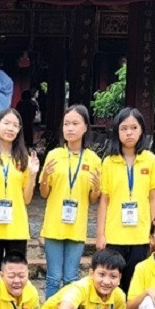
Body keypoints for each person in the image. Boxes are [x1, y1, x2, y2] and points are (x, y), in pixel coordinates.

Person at [96, 107, 155, 309]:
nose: (129, 133)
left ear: (142, 130)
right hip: (115, 233)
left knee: (134, 282)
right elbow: (104, 200)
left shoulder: (150, 160)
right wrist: (100, 233)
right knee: (113, 283)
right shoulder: (109, 162)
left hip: (140, 234)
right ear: (117, 131)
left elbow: (154, 198)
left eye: (134, 127)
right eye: (124, 128)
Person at [40, 104, 102, 297]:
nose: (70, 128)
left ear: (85, 127)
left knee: (71, 277)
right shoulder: (54, 155)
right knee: (53, 277)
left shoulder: (93, 159)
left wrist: (97, 188)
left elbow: (92, 198)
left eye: (75, 124)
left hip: (77, 227)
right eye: (66, 124)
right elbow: (44, 193)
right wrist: (44, 178)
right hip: (54, 226)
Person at [0, 108, 39, 282]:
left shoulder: (24, 160)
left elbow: (26, 199)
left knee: (15, 278)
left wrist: (32, 175)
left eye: (15, 125)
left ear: (19, 130)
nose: (10, 128)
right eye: (6, 123)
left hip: (17, 228)